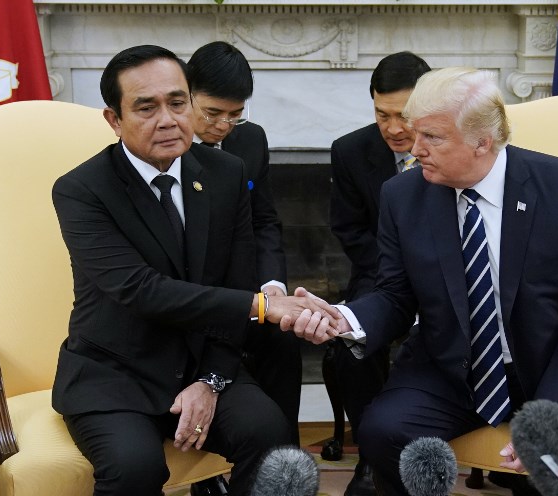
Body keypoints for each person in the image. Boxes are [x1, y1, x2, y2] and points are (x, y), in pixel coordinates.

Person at [288, 67, 558, 496]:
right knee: (384, 431)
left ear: (483, 141)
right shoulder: (402, 196)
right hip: (454, 365)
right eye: (416, 133)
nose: (414, 148)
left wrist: (549, 413)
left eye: (432, 137)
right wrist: (344, 319)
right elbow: (395, 296)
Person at [51, 44, 337, 496]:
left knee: (272, 437)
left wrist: (211, 381)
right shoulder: (81, 190)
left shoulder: (225, 172)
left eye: (177, 102)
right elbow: (141, 290)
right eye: (146, 107)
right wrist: (265, 307)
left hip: (201, 362)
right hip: (115, 373)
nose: (167, 119)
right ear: (114, 120)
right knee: (134, 467)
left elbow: (236, 281)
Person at [186, 40, 302, 496]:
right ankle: (208, 474)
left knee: (283, 341)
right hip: (194, 299)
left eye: (235, 114)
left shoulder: (250, 139)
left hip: (248, 293)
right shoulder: (159, 143)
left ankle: (283, 472)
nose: (223, 126)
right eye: (213, 113)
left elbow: (265, 219)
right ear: (186, 94)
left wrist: (273, 287)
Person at [328, 51, 430, 496]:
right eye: (381, 114)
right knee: (347, 346)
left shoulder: (451, 144)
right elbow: (349, 229)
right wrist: (397, 278)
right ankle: (372, 457)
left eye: (404, 116)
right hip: (379, 273)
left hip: (454, 277)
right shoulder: (350, 151)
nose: (393, 128)